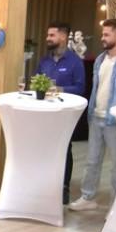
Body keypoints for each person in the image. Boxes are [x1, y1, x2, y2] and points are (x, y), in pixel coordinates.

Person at [68, 18, 116, 211]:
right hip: (96, 117)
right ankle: (87, 197)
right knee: (92, 161)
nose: (102, 37)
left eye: (106, 34)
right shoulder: (100, 60)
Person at [34, 21, 86, 204]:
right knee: (45, 148)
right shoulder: (44, 61)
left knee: (64, 149)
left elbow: (80, 88)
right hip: (44, 114)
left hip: (64, 115)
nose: (47, 38)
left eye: (52, 35)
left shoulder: (75, 62)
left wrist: (60, 89)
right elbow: (35, 82)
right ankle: (45, 183)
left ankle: (64, 187)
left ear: (63, 37)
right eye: (48, 35)